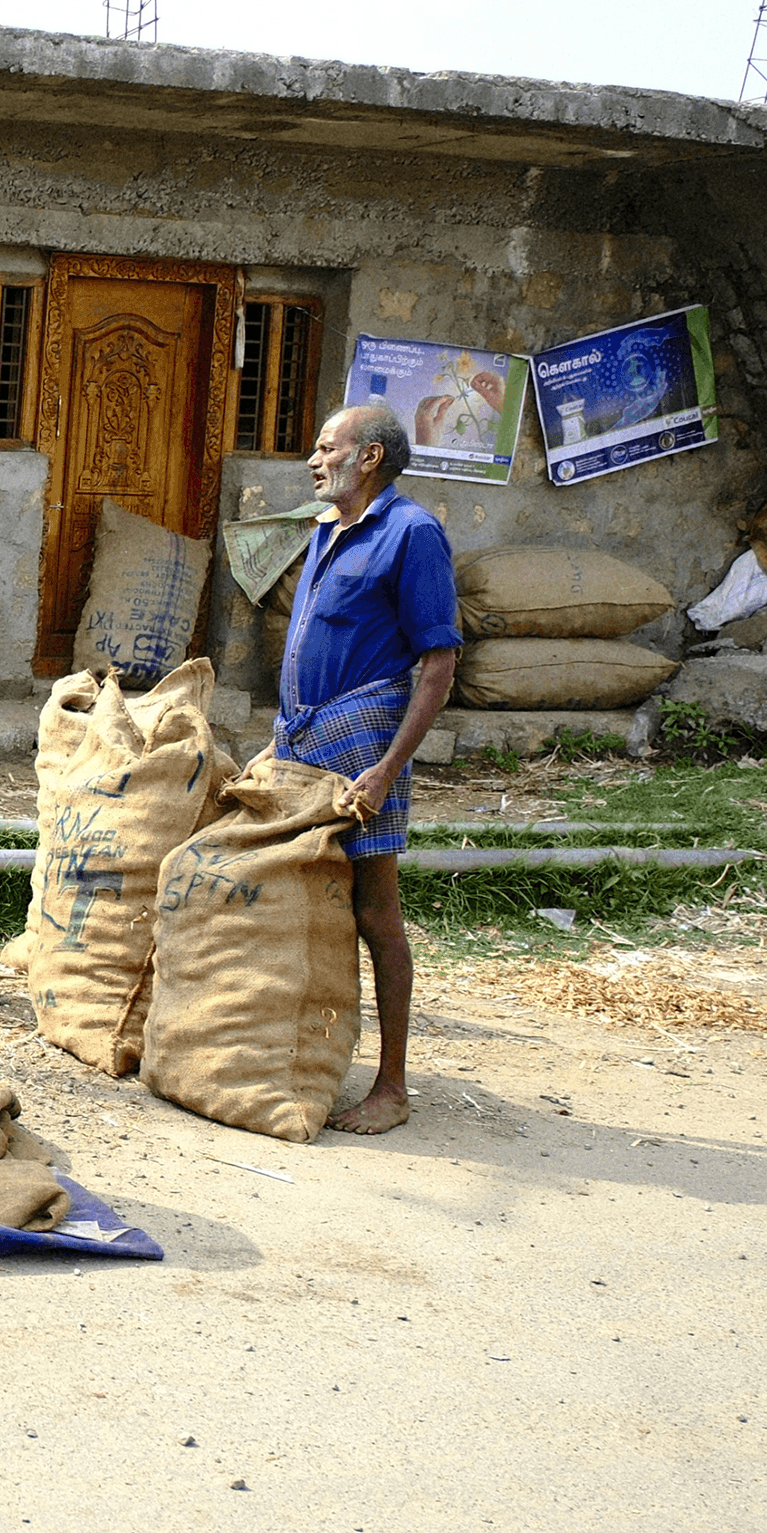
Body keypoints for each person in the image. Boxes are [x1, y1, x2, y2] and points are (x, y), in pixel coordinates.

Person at [278, 402, 462, 1136]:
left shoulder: (412, 534)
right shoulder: (326, 531)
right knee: (295, 902)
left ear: (370, 458)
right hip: (302, 740)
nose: (314, 460)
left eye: (328, 447)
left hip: (364, 749)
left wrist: (388, 769)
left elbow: (439, 663)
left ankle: (391, 1086)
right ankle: (296, 1054)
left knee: (375, 914)